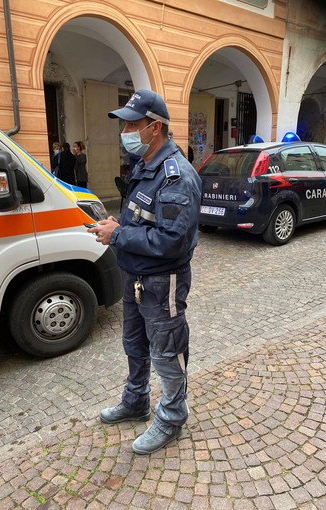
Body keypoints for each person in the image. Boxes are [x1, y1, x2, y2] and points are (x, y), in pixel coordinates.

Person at [88, 89, 202, 455]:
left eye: (132, 124)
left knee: (167, 351)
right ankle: (135, 401)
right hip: (134, 275)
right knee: (134, 345)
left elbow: (172, 241)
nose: (125, 131)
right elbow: (143, 216)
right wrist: (116, 224)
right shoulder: (146, 165)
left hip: (160, 280)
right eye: (124, 124)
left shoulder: (176, 176)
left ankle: (171, 418)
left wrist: (118, 234)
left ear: (155, 127)